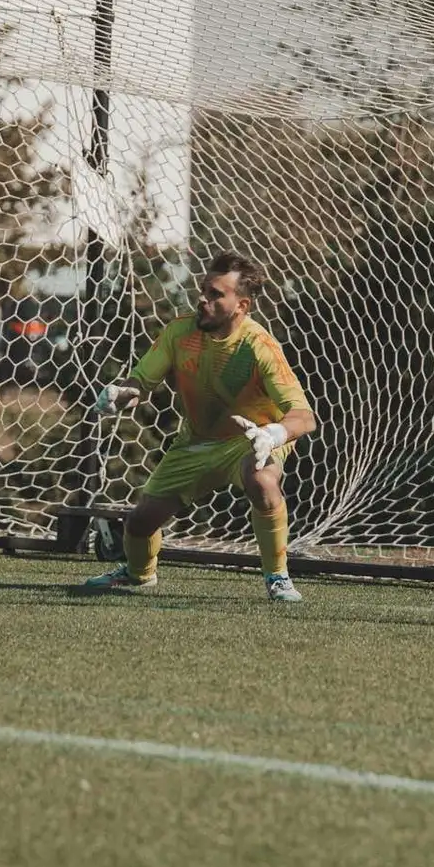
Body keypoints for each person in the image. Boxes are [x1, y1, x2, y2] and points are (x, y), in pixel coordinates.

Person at [84, 251, 316, 603]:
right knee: (140, 523)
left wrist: (272, 435)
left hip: (251, 440)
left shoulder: (261, 346)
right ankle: (138, 574)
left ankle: (278, 577)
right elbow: (141, 384)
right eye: (203, 291)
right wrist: (122, 394)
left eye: (215, 295)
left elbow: (303, 416)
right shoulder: (179, 332)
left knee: (261, 478)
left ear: (242, 305)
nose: (203, 300)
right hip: (196, 443)